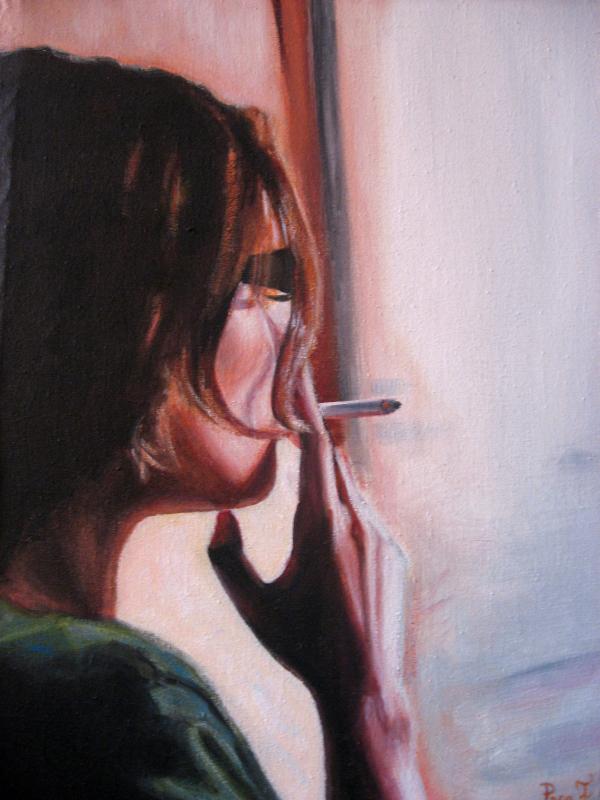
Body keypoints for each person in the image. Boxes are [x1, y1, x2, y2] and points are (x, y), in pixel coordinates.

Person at [0, 47, 424, 799]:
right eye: (257, 282)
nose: (297, 338)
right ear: (111, 317)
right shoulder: (120, 710)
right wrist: (370, 713)